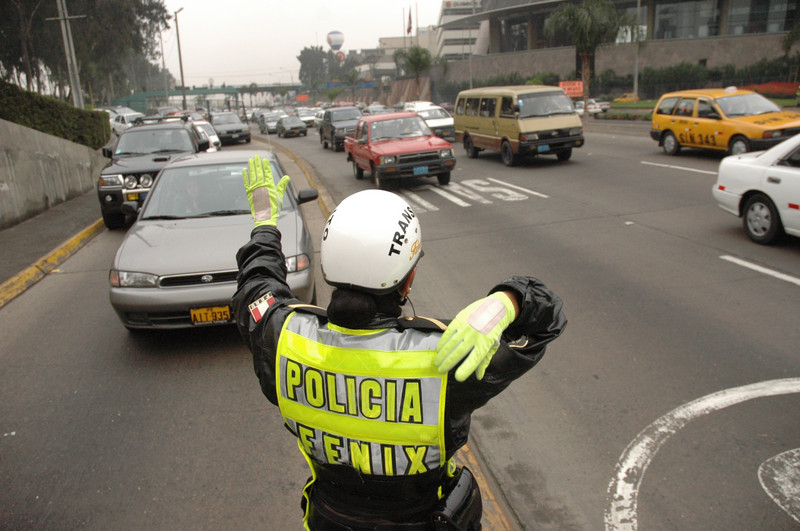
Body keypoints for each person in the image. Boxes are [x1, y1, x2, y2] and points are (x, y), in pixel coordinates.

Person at [233, 155, 567, 530]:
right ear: (407, 282)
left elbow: (256, 287)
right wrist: (509, 300)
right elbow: (546, 322)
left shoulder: (283, 338)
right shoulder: (447, 357)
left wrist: (264, 223)